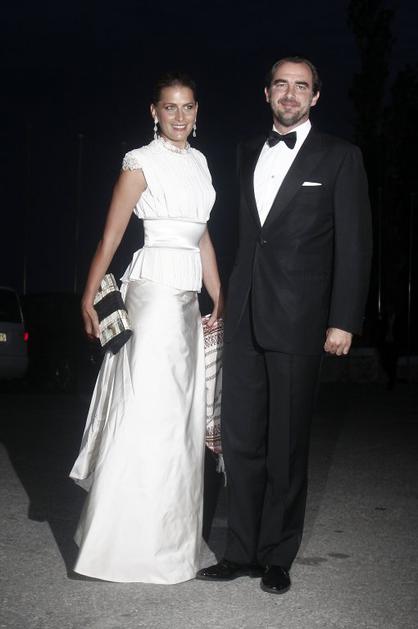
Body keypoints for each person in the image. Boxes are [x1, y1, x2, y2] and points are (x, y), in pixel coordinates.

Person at [197, 56, 372, 594]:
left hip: (300, 320)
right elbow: (243, 234)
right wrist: (223, 299)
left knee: (286, 445)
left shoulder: (341, 156)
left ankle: (277, 555)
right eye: (281, 85)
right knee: (241, 440)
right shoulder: (246, 150)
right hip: (244, 314)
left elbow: (355, 245)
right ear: (267, 92)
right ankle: (240, 551)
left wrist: (343, 320)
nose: (290, 94)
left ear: (315, 96)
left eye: (301, 87)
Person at [70, 72, 222, 584]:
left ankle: (173, 544)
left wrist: (218, 293)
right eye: (169, 107)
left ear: (197, 112)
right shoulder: (139, 162)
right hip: (153, 295)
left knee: (181, 420)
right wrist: (89, 295)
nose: (180, 116)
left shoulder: (201, 162)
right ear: (153, 112)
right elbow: (110, 237)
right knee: (148, 413)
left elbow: (201, 236)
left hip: (187, 299)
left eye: (188, 107)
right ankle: (121, 545)